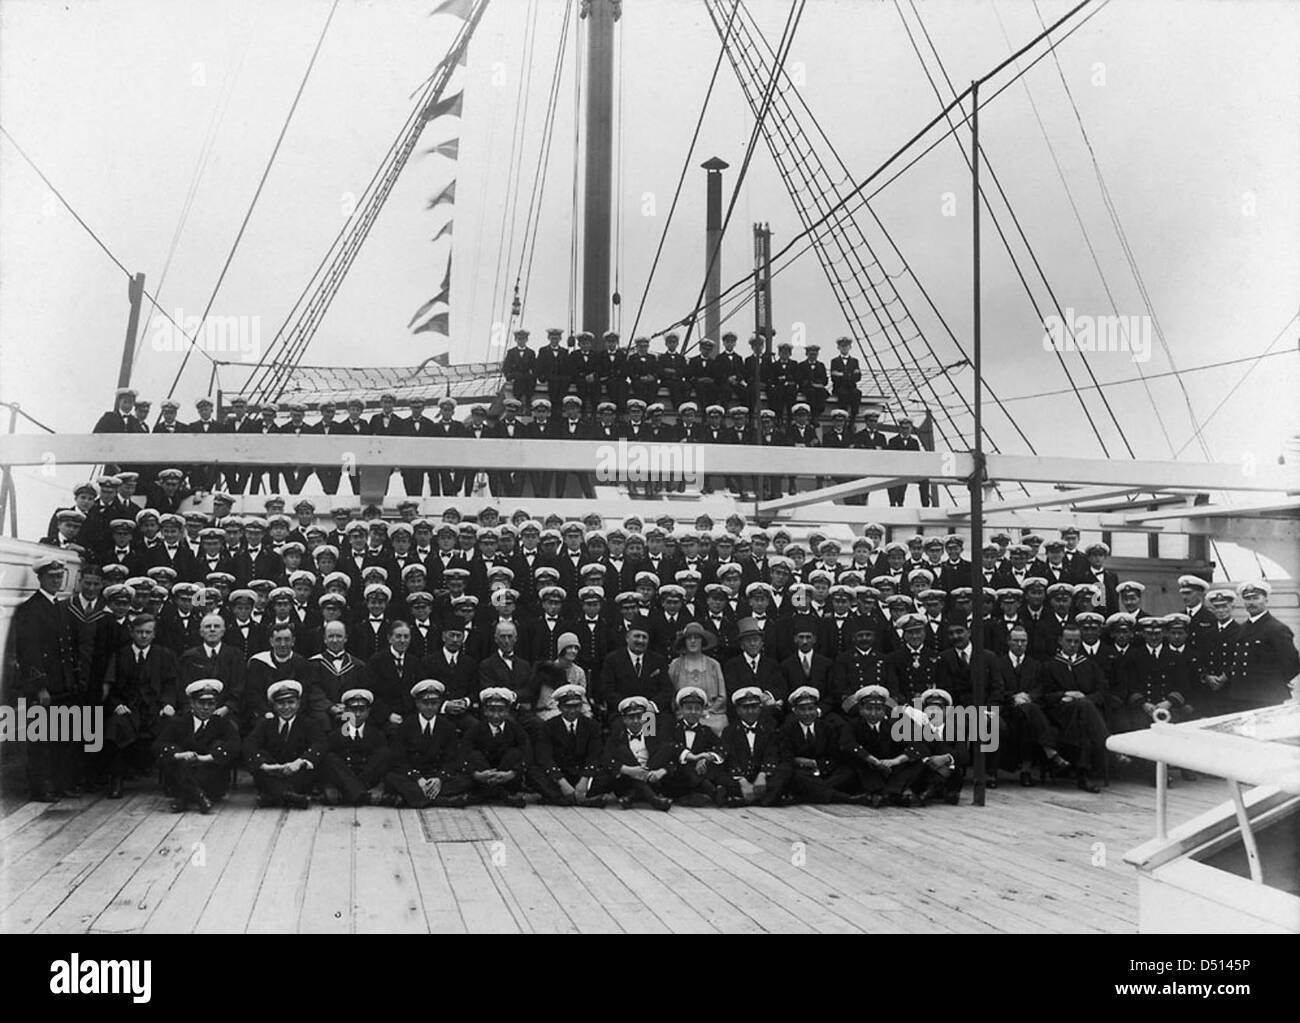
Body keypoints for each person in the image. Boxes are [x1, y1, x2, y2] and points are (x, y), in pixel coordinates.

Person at [12, 557, 84, 801]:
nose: (57, 580)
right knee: (42, 739)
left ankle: (61, 784)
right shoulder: (30, 609)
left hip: (63, 684)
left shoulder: (61, 607)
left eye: (60, 576)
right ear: (40, 578)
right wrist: (40, 687)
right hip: (45, 687)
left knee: (63, 737)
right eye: (52, 576)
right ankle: (41, 788)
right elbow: (29, 652)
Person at [102, 613, 179, 799]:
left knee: (172, 726)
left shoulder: (164, 655)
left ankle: (170, 779)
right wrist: (117, 704)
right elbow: (110, 687)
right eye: (139, 632)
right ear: (131, 632)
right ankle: (116, 780)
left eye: (148, 632)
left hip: (155, 709)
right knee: (116, 726)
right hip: (129, 709)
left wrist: (168, 704)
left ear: (154, 634)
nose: (143, 636)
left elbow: (171, 684)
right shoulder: (120, 655)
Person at [154, 679, 241, 813]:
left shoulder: (222, 723)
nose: (206, 708)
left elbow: (235, 746)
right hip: (182, 773)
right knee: (176, 754)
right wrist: (180, 755)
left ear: (216, 704)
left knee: (218, 745)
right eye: (201, 703)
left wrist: (204, 758)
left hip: (212, 782)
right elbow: (158, 746)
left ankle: (184, 798)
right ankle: (199, 796)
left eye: (211, 703)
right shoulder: (180, 722)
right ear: (192, 703)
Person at [383, 679, 472, 808]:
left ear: (440, 703)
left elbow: (451, 758)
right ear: (417, 703)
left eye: (434, 703)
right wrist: (418, 779)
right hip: (414, 777)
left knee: (466, 780)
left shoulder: (447, 727)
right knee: (391, 778)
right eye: (425, 703)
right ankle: (442, 800)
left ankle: (416, 797)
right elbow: (399, 759)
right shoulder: (406, 725)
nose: (430, 707)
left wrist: (439, 779)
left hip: (435, 775)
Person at [243, 680, 324, 808]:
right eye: (281, 703)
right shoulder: (266, 724)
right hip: (272, 773)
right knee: (257, 758)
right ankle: (288, 796)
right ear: (274, 706)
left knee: (316, 762)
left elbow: (320, 744)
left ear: (298, 703)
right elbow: (249, 744)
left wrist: (300, 762)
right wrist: (265, 766)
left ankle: (273, 796)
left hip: (296, 773)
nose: (286, 707)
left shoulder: (309, 723)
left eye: (291, 702)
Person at [839, 685, 923, 806]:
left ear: (884, 710)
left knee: (916, 762)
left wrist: (895, 761)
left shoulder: (893, 725)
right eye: (869, 708)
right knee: (856, 761)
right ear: (861, 709)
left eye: (878, 709)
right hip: (869, 768)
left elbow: (917, 746)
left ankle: (890, 792)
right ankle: (880, 792)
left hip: (890, 767)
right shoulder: (852, 725)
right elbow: (848, 744)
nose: (873, 713)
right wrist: (873, 760)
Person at [529, 684, 606, 806]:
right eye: (567, 706)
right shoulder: (548, 726)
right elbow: (544, 756)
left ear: (581, 706)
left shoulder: (592, 725)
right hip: (559, 775)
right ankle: (577, 799)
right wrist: (561, 781)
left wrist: (584, 779)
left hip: (582, 774)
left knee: (607, 773)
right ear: (559, 707)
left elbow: (595, 754)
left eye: (576, 706)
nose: (572, 710)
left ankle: (561, 799)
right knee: (533, 772)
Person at [1231, 580, 1300, 710]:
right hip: (1241, 695)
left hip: (1267, 695)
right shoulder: (1241, 628)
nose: (1251, 602)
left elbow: (1293, 663)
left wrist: (1276, 682)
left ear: (1266, 600)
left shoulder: (1277, 628)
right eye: (1247, 599)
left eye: (1256, 598)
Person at [320, 688, 394, 806]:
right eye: (353, 710)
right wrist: (329, 785)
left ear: (368, 711)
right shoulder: (336, 734)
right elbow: (330, 768)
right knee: (329, 758)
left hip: (367, 779)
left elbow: (384, 766)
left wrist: (381, 787)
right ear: (346, 711)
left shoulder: (377, 734)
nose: (358, 714)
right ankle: (362, 795)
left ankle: (351, 793)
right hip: (345, 778)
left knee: (385, 753)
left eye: (362, 710)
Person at [597, 695, 673, 810]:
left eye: (639, 717)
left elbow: (668, 754)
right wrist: (627, 770)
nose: (636, 721)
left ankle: (630, 798)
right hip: (626, 780)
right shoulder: (618, 736)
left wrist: (662, 771)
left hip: (651, 778)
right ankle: (654, 800)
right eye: (631, 718)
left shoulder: (651, 733)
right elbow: (606, 759)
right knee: (622, 751)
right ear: (624, 720)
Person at [461, 687, 530, 808]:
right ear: (484, 711)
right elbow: (464, 754)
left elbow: (527, 755)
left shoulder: (515, 729)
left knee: (514, 753)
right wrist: (476, 774)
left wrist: (512, 773)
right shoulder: (475, 729)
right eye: (491, 710)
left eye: (501, 710)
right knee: (475, 755)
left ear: (508, 711)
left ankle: (489, 794)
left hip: (507, 777)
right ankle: (501, 794)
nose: (496, 715)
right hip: (482, 777)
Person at [721, 687, 789, 805]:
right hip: (740, 776)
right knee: (719, 772)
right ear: (737, 710)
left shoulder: (769, 728)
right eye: (745, 708)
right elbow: (730, 758)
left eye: (754, 707)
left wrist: (763, 774)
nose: (750, 711)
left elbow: (772, 753)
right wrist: (742, 781)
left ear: (760, 708)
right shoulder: (729, 731)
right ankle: (765, 797)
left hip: (762, 776)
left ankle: (746, 798)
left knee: (785, 769)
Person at [666, 621, 727, 733]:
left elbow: (722, 696)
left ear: (702, 641)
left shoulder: (714, 665)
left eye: (697, 637)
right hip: (683, 715)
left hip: (710, 715)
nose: (693, 641)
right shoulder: (675, 665)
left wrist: (708, 711)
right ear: (684, 642)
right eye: (689, 638)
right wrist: (683, 710)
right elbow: (670, 694)